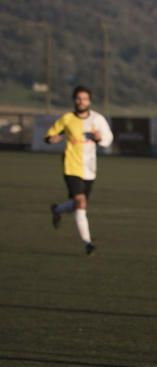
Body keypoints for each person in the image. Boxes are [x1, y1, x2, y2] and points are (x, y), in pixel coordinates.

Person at [45, 85, 113, 255]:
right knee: (81, 202)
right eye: (78, 98)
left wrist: (99, 138)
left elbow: (108, 140)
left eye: (84, 98)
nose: (81, 101)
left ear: (89, 101)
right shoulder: (67, 118)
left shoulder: (97, 120)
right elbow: (49, 135)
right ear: (74, 100)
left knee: (78, 205)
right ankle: (88, 243)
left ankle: (57, 209)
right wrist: (52, 139)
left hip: (89, 168)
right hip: (71, 166)